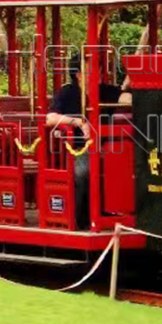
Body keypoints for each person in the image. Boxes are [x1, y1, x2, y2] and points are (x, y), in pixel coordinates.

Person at [46, 58, 131, 230]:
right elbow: (50, 118)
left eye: (99, 70)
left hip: (108, 148)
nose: (99, 74)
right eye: (93, 70)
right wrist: (79, 123)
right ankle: (81, 219)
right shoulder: (66, 93)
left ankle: (114, 212)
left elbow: (127, 99)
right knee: (83, 170)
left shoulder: (106, 91)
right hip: (78, 149)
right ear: (78, 75)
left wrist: (131, 86)